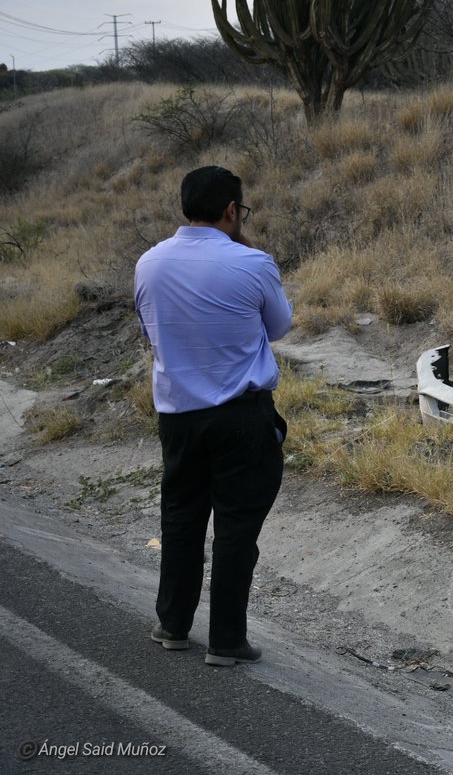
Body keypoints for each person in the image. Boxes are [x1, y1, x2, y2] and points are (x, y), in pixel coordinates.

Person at [135, 165, 292, 666]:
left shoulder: (148, 263)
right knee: (236, 527)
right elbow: (279, 327)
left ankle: (173, 625)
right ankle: (227, 640)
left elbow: (150, 329)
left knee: (181, 519)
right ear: (231, 210)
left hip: (178, 416)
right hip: (240, 416)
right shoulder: (253, 263)